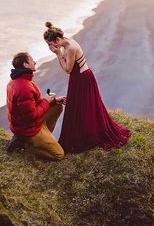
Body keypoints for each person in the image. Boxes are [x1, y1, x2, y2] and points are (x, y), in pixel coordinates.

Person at [43, 21, 131, 153]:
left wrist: (58, 55)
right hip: (81, 76)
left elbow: (67, 69)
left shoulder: (70, 48)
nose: (50, 46)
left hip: (82, 79)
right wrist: (60, 52)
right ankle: (83, 131)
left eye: (50, 44)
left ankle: (83, 135)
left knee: (80, 107)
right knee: (83, 107)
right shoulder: (68, 41)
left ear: (57, 39)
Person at [6, 51, 65, 161]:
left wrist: (53, 100)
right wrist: (46, 101)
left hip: (27, 124)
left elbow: (33, 103)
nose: (35, 62)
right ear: (25, 65)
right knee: (59, 155)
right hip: (28, 130)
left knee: (57, 106)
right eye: (32, 60)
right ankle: (26, 144)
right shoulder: (24, 88)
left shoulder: (17, 81)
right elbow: (32, 116)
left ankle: (43, 136)